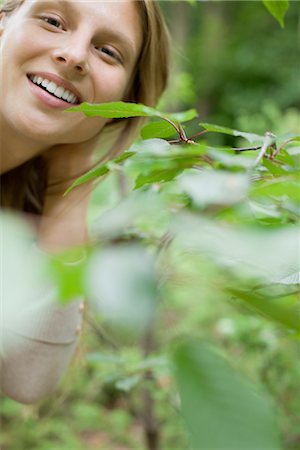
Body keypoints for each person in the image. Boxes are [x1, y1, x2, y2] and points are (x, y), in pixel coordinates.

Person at [0, 0, 170, 403]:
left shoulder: (25, 205)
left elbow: (28, 380)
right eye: (54, 21)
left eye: (108, 51)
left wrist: (70, 179)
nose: (74, 56)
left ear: (123, 103)